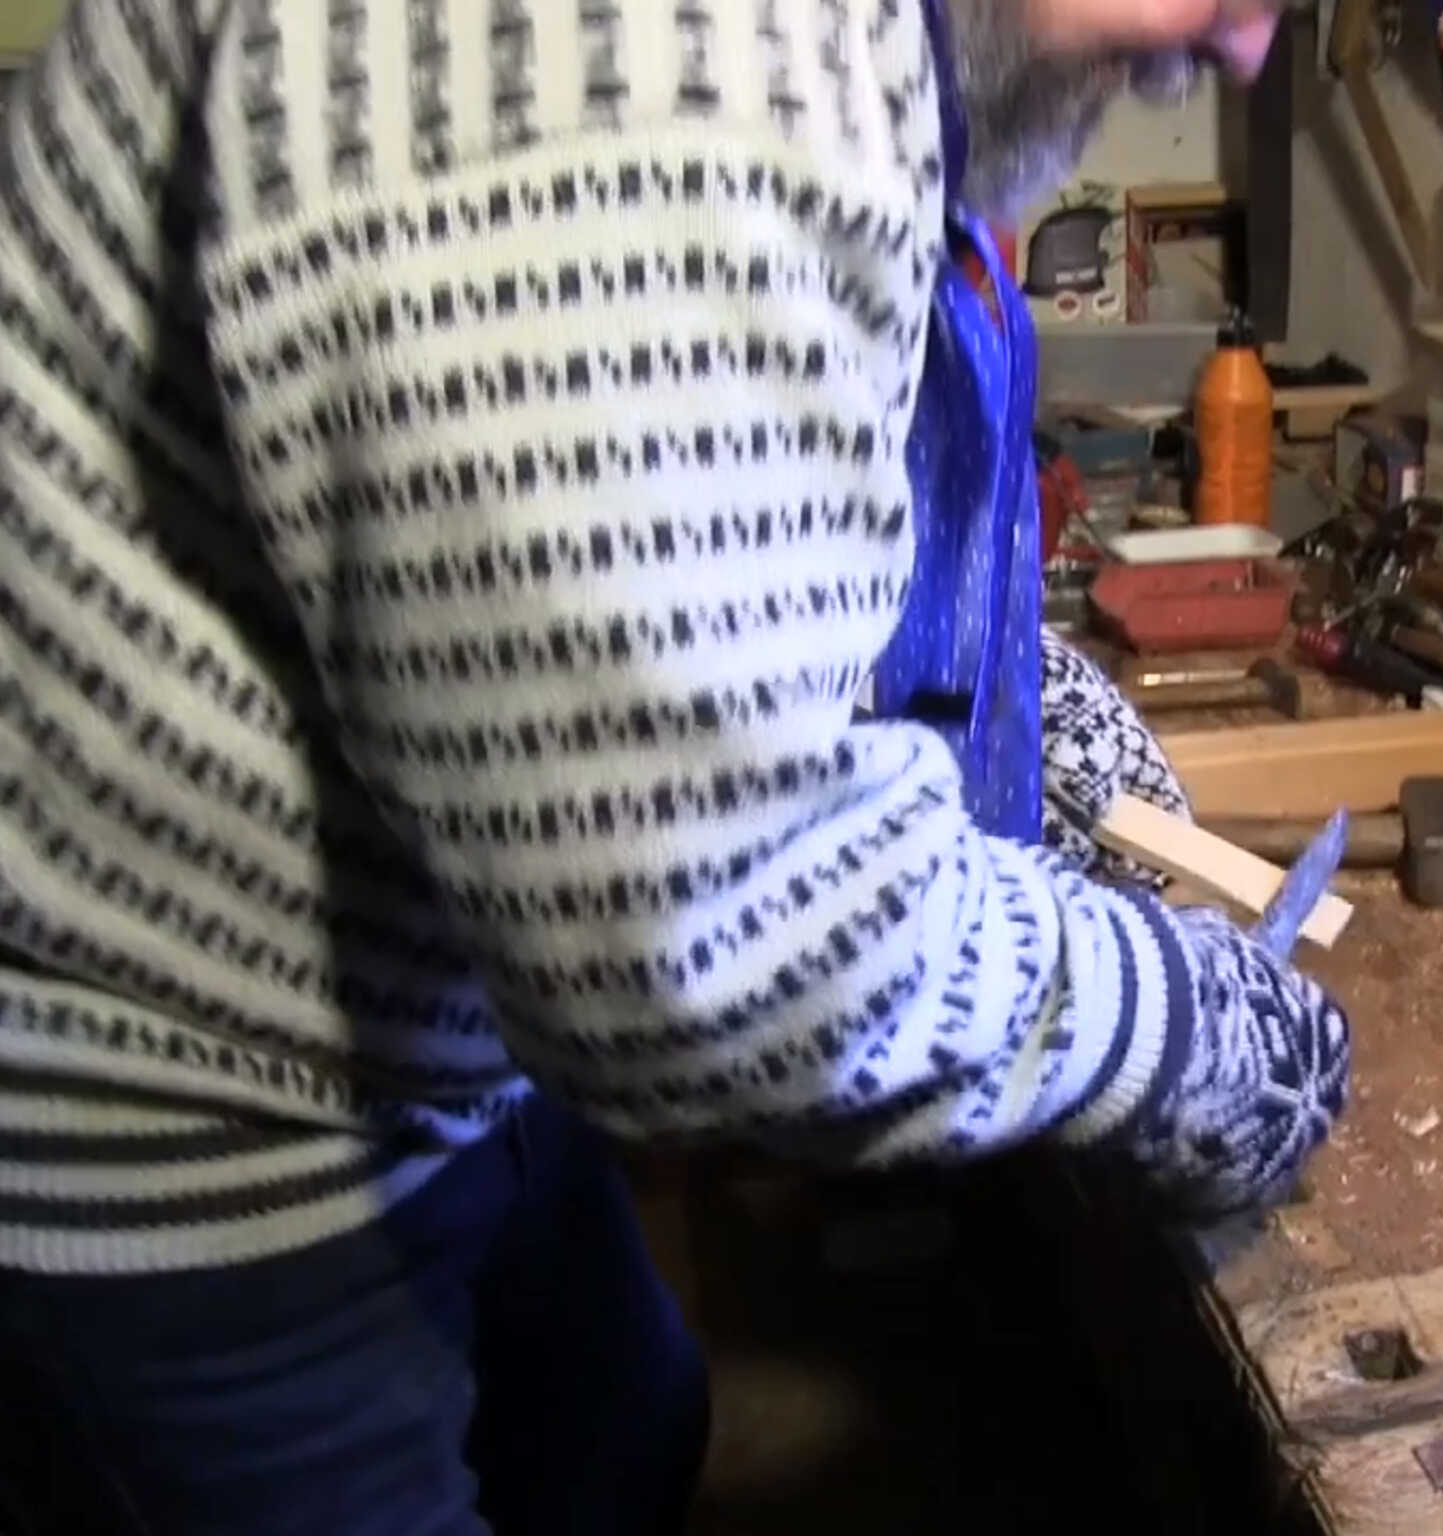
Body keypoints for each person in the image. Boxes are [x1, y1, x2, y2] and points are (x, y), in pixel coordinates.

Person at [0, 0, 1350, 1529]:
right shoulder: (652, 56)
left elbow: (704, 547)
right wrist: (1176, 1028)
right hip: (167, 1120)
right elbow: (711, 942)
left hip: (430, 986)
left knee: (627, 1430)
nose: (1248, 50)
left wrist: (1016, 694)